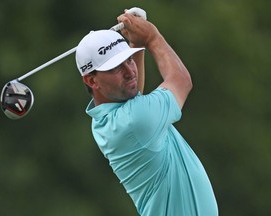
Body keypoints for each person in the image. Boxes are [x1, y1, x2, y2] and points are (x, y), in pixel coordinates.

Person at [75, 10, 218, 216]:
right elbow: (181, 81)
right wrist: (151, 36)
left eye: (129, 60)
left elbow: (135, 96)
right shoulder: (134, 122)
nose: (129, 71)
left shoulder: (108, 118)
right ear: (91, 80)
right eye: (116, 68)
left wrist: (137, 44)